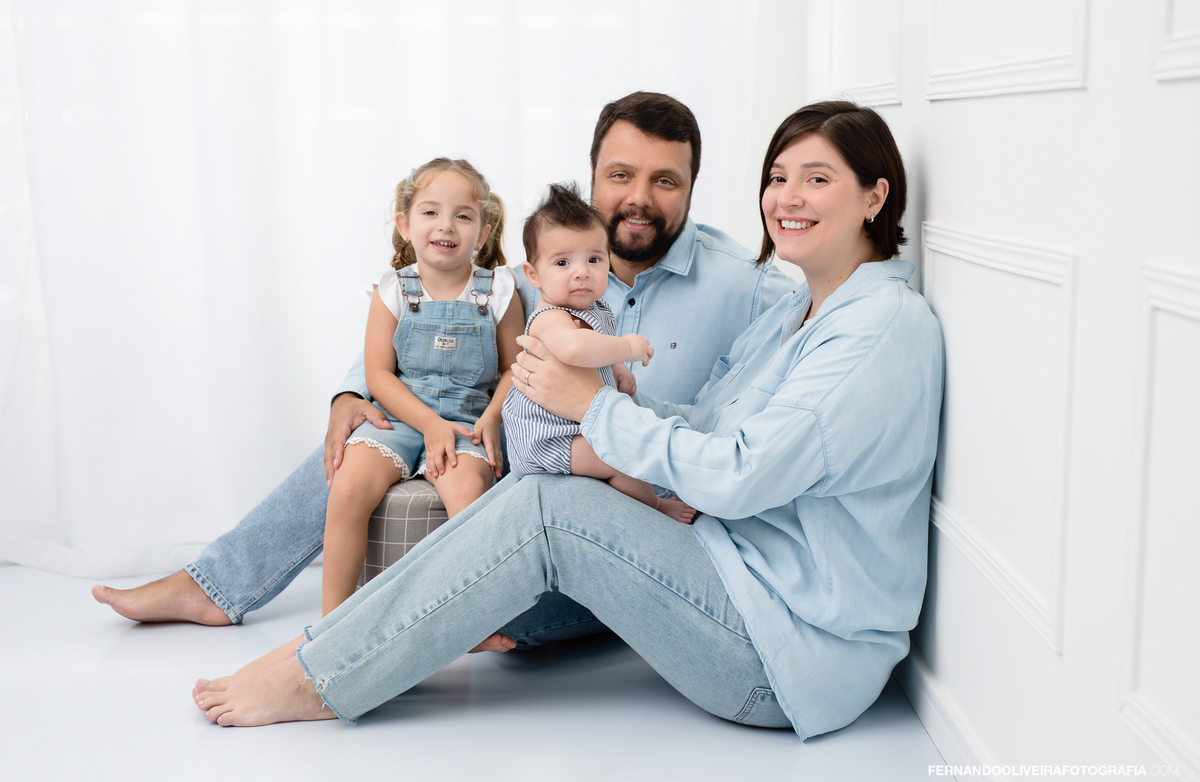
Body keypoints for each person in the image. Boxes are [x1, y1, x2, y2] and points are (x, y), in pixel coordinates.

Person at [191, 100, 945, 740]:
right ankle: (301, 629)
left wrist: (595, 408)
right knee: (510, 482)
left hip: (787, 654)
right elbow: (704, 417)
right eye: (778, 178)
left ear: (875, 197)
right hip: (712, 556)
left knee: (548, 508)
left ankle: (320, 673)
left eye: (818, 180)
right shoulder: (798, 310)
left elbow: (741, 471)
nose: (787, 198)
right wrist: (362, 392)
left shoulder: (871, 325)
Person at [91, 91, 792, 627]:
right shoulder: (548, 265)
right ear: (591, 178)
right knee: (369, 436)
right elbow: (434, 333)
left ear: (695, 184)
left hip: (624, 484)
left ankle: (501, 622)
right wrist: (348, 396)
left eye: (665, 180)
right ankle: (218, 584)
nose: (638, 198)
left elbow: (760, 417)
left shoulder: (750, 288)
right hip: (531, 448)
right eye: (619, 175)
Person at [319, 158, 522, 615]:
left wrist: (491, 417)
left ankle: (469, 617)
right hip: (401, 416)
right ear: (404, 225)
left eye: (463, 215)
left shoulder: (499, 290)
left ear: (483, 233)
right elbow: (379, 376)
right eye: (430, 212)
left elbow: (514, 368)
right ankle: (335, 620)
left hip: (469, 418)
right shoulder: (392, 290)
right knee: (349, 485)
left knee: (468, 493)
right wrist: (429, 424)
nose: (445, 225)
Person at [503, 183, 695, 523]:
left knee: (622, 445)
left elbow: (597, 342)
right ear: (533, 274)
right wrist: (627, 347)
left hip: (576, 426)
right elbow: (576, 348)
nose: (581, 272)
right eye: (562, 262)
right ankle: (656, 507)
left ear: (608, 262)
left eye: (593, 259)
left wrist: (618, 368)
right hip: (548, 437)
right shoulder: (550, 319)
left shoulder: (597, 308)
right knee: (619, 457)